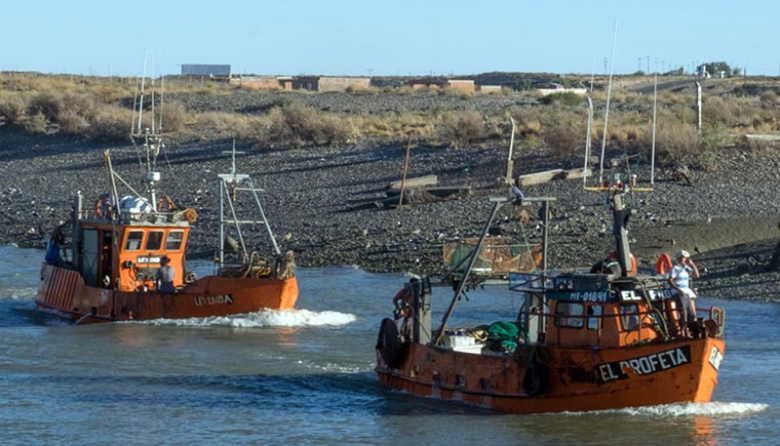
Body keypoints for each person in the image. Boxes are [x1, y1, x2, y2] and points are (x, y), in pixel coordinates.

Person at [668, 249, 700, 324]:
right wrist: (679, 290)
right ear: (679, 258)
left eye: (685, 258)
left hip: (686, 290)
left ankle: (692, 323)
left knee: (691, 312)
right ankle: (683, 326)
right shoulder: (675, 268)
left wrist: (692, 265)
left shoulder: (686, 268)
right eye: (683, 257)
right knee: (683, 309)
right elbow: (670, 280)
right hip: (678, 290)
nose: (684, 259)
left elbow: (696, 275)